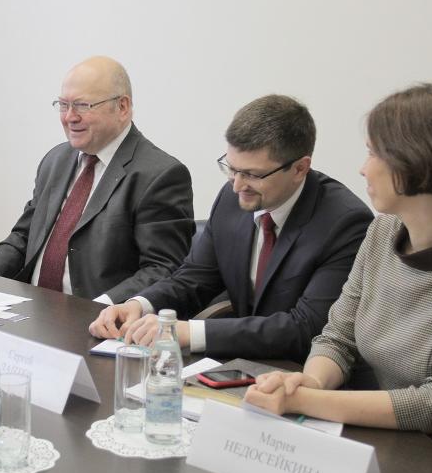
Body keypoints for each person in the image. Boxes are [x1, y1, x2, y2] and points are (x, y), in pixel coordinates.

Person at [246, 83, 432, 473]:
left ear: (418, 163)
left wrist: (302, 401)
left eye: (374, 153)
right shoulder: (382, 233)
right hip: (392, 452)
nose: (363, 169)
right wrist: (308, 383)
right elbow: (338, 337)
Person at [89, 95, 373, 362]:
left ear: (300, 168)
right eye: (232, 168)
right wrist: (139, 305)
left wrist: (190, 332)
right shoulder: (232, 198)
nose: (237, 185)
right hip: (239, 363)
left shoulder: (345, 224)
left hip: (300, 372)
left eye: (252, 174)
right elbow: (193, 280)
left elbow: (306, 327)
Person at [0, 56, 194, 304]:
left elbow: (163, 270)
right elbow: (24, 235)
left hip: (100, 317)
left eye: (82, 106)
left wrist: (101, 307)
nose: (70, 117)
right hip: (31, 308)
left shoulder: (160, 175)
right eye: (63, 105)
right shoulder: (55, 160)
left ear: (122, 107)